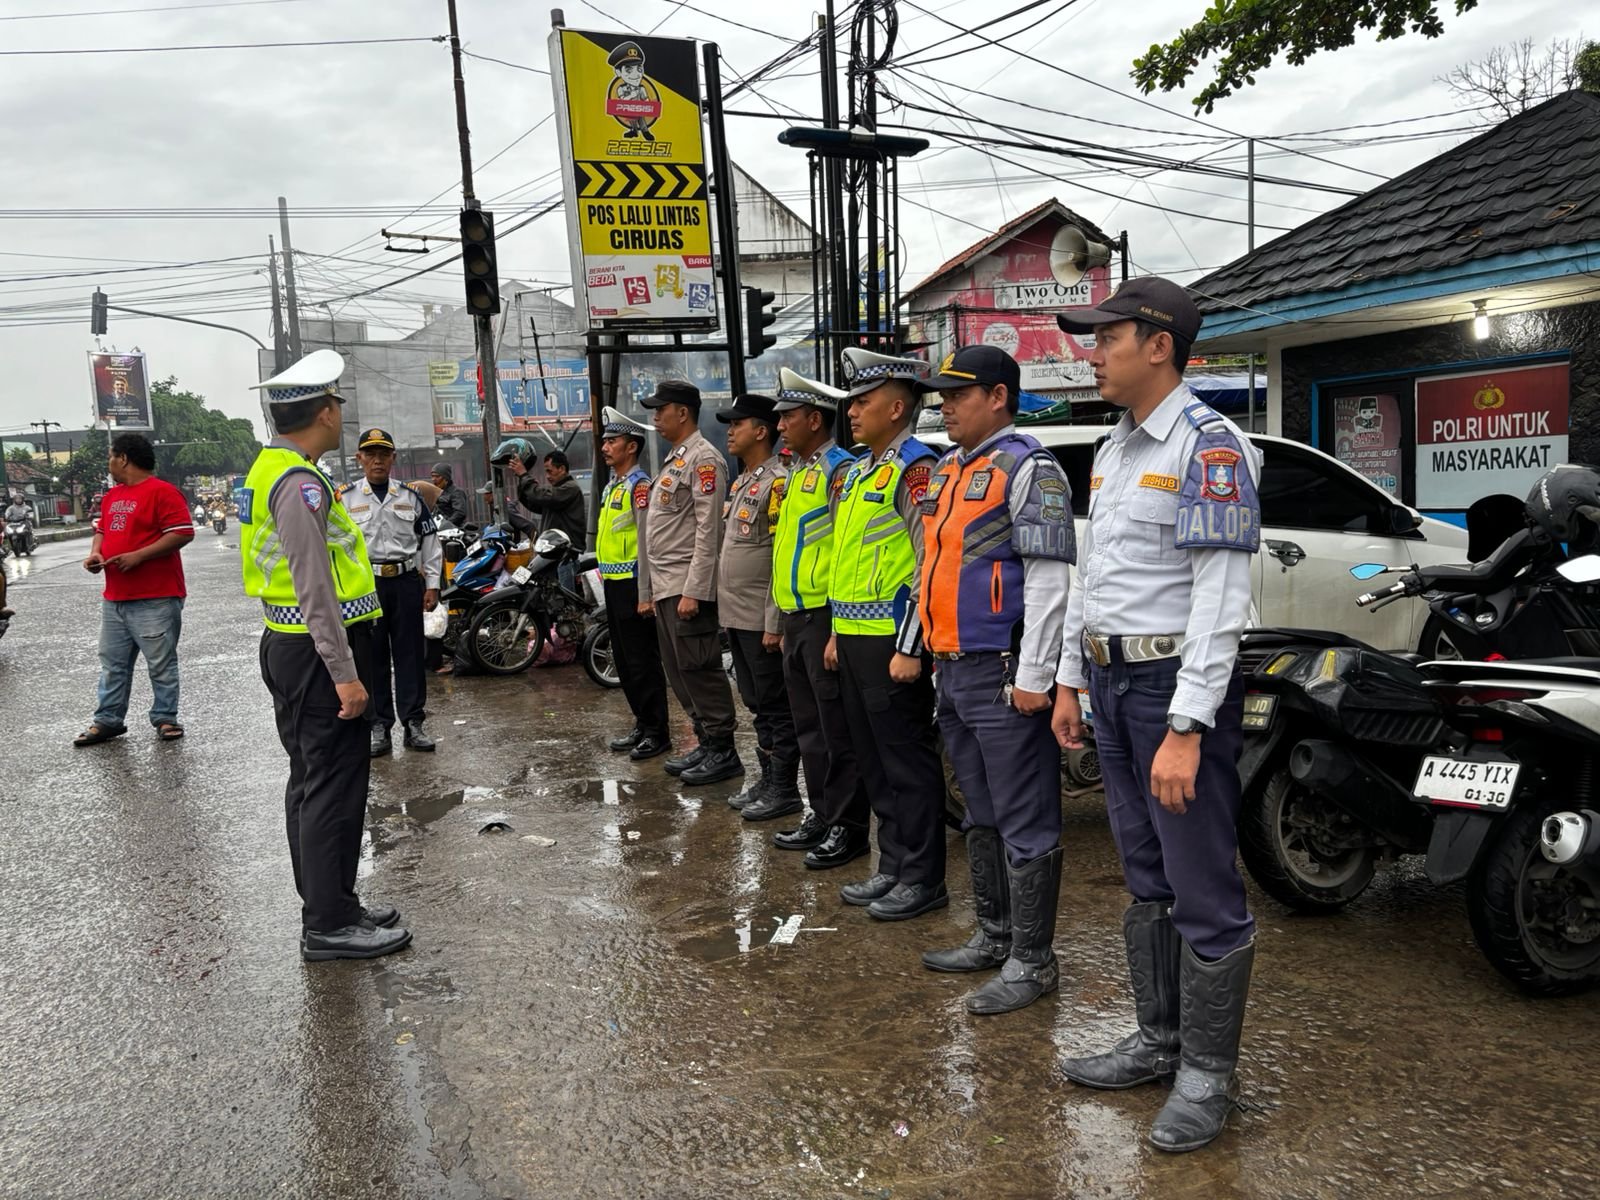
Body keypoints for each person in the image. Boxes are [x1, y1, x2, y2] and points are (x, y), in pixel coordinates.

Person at [1049, 277, 1261, 1153]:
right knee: (1146, 877)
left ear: (1160, 343)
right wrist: (1068, 678)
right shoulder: (1115, 448)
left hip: (1172, 690)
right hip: (1110, 685)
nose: (1091, 351)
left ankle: (1209, 1075)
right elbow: (1095, 579)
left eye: (1107, 336)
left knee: (1202, 885)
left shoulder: (1212, 448)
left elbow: (1221, 598)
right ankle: (1160, 1040)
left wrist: (1187, 726)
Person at [914, 345, 1076, 1015]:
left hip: (1004, 674)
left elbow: (1049, 580)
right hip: (953, 672)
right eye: (942, 396)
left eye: (959, 394)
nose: (945, 405)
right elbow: (930, 572)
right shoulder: (951, 469)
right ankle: (995, 935)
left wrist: (1037, 675)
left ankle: (1034, 962)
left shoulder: (1030, 469)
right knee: (979, 811)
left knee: (1025, 818)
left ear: (999, 396)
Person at [242, 349, 411, 962]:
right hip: (317, 652)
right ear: (322, 411)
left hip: (294, 646)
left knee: (314, 781)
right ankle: (329, 924)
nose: (341, 410)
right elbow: (315, 587)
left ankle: (333, 901)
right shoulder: (299, 483)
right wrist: (346, 676)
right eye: (336, 401)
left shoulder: (273, 470)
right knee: (330, 786)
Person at [829, 348, 946, 921]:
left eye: (864, 401)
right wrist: (833, 632)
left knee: (905, 760)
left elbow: (928, 561)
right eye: (852, 401)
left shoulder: (915, 469)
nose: (853, 411)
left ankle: (923, 877)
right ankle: (894, 866)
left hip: (889, 641)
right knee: (873, 759)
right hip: (851, 636)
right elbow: (844, 560)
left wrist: (909, 645)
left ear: (897, 408)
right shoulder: (858, 472)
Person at [767, 368, 871, 866]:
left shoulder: (838, 469)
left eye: (788, 416)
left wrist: (831, 625)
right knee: (809, 726)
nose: (780, 425)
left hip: (824, 617)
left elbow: (844, 550)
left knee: (836, 731)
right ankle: (823, 813)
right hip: (795, 616)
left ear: (814, 418)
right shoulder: (797, 471)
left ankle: (848, 827)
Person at [636, 379, 742, 786]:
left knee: (700, 667)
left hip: (685, 586)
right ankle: (704, 739)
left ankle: (723, 750)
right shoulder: (676, 460)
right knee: (679, 670)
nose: (656, 418)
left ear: (683, 412)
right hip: (666, 585)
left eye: (661, 410)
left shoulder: (703, 460)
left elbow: (707, 530)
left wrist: (695, 590)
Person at [73, 433, 194, 746]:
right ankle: (108, 720)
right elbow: (101, 530)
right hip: (115, 598)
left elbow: (182, 533)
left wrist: (139, 556)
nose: (109, 464)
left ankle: (166, 718)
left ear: (123, 458)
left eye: (111, 457)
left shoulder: (163, 493)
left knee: (161, 663)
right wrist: (96, 554)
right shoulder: (112, 497)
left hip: (155, 597)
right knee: (113, 664)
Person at [715, 393, 801, 821]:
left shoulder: (778, 483)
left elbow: (776, 558)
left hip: (760, 617)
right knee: (755, 702)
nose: (730, 431)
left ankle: (784, 788)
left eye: (738, 423)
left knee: (774, 705)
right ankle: (767, 780)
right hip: (738, 615)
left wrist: (774, 622)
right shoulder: (743, 481)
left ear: (761, 431)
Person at [338, 428, 442, 757]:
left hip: (406, 582)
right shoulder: (346, 498)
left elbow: (430, 542)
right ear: (360, 459)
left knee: (410, 654)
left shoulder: (410, 497)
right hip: (367, 587)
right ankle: (379, 725)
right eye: (370, 454)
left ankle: (413, 723)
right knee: (373, 658)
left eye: (384, 454)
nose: (378, 460)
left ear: (393, 459)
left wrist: (433, 585)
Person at [595, 405, 671, 760]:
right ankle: (642, 723)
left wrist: (646, 593)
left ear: (632, 447)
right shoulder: (614, 487)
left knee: (642, 661)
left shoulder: (640, 487)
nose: (606, 447)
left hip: (634, 585)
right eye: (605, 441)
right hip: (613, 582)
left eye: (614, 441)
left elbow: (647, 542)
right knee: (624, 661)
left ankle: (657, 731)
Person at [494, 440, 588, 547]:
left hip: (566, 552)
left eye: (550, 471)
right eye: (546, 472)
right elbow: (533, 503)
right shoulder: (556, 492)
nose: (547, 476)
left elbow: (541, 496)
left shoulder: (570, 488)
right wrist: (522, 479)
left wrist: (524, 475)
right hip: (554, 549)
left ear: (562, 469)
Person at [429, 464, 471, 529]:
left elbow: (460, 513)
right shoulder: (435, 493)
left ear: (446, 478)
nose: (434, 479)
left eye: (437, 476)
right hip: (437, 530)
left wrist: (446, 525)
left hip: (454, 531)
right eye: (432, 476)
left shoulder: (456, 492)